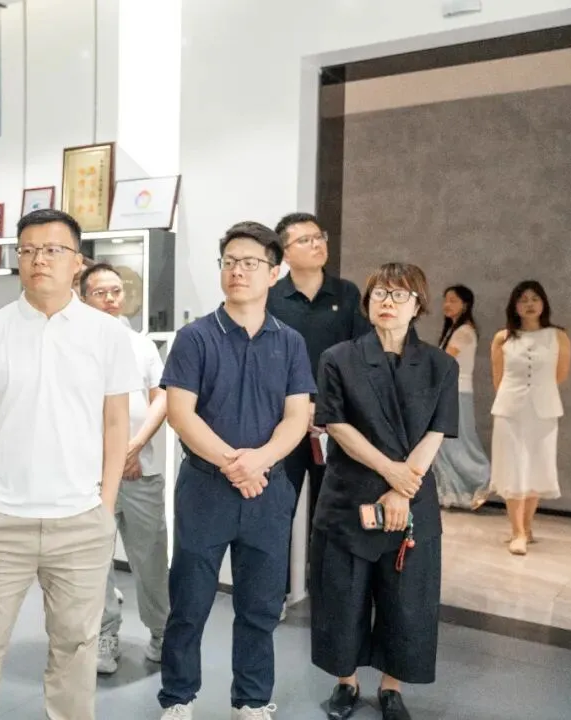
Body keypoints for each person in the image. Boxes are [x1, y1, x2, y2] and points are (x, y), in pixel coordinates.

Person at [0, 209, 139, 720]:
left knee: (76, 650)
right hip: (1, 518)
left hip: (80, 520)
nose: (38, 260)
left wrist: (105, 505)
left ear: (77, 262)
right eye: (27, 250)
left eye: (52, 250)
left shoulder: (107, 334)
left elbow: (115, 423)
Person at [157, 222, 315, 720]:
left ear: (274, 272)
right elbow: (180, 414)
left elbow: (298, 417)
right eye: (229, 262)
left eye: (249, 263)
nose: (237, 272)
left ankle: (251, 699)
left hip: (268, 490)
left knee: (260, 607)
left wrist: (258, 462)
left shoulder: (290, 341)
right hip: (205, 489)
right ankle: (178, 698)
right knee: (190, 602)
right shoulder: (195, 337)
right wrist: (235, 464)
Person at [310, 263, 458, 720]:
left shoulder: (440, 365)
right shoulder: (338, 357)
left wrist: (402, 488)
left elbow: (437, 431)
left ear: (418, 305)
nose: (387, 302)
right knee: (342, 595)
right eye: (379, 294)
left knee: (408, 601)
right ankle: (346, 683)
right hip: (350, 493)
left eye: (399, 295)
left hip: (411, 496)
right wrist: (391, 472)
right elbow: (336, 424)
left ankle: (392, 688)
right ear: (367, 302)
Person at [267, 212, 369, 615]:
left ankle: (329, 595)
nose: (317, 244)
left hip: (333, 424)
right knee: (278, 508)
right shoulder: (272, 298)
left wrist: (326, 409)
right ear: (285, 253)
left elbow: (359, 358)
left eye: (319, 236)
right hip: (283, 422)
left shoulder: (347, 294)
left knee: (331, 511)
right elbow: (266, 362)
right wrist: (297, 408)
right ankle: (273, 594)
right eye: (305, 240)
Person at [79, 262, 170, 674]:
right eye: (101, 292)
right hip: (88, 475)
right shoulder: (71, 346)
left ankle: (162, 631)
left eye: (116, 291)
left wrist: (134, 447)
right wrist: (110, 457)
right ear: (84, 298)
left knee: (150, 559)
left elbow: (161, 398)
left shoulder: (142, 346)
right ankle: (105, 633)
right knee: (94, 561)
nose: (112, 299)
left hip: (140, 471)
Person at [490, 280, 571, 556]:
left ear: (544, 303)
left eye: (535, 298)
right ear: (514, 306)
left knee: (537, 466)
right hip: (510, 411)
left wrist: (537, 391)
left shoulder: (558, 336)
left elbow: (560, 374)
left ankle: (527, 526)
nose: (529, 304)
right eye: (523, 299)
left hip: (544, 410)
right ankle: (517, 532)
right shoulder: (503, 338)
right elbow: (498, 378)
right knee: (512, 468)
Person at [433, 285, 491, 510]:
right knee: (447, 445)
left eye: (453, 300)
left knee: (458, 443)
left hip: (456, 392)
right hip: (451, 391)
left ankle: (485, 478)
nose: (447, 305)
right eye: (446, 300)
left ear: (465, 305)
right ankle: (453, 492)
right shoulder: (454, 330)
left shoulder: (463, 331)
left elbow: (445, 361)